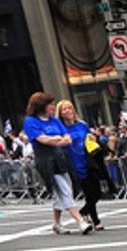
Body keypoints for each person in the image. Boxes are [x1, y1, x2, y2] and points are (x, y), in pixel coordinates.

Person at [24, 93, 89, 235]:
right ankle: (80, 221)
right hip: (46, 160)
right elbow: (42, 139)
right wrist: (58, 139)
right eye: (50, 105)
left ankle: (57, 223)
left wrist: (57, 139)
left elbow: (67, 138)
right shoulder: (30, 121)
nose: (53, 107)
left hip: (60, 157)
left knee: (61, 192)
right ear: (41, 106)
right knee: (64, 190)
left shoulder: (54, 120)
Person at [55, 100, 103, 232]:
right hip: (73, 163)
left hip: (87, 160)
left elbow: (89, 137)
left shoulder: (82, 125)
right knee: (88, 192)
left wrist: (93, 138)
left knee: (97, 193)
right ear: (59, 113)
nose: (67, 111)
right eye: (64, 109)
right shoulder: (60, 128)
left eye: (69, 108)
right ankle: (96, 220)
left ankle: (83, 212)